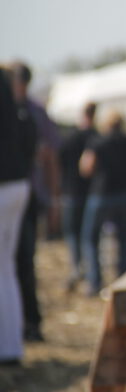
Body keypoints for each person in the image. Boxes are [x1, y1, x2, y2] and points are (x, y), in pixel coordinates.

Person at [8, 61, 60, 342]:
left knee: (23, 262)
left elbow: (50, 158)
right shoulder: (34, 112)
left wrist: (53, 201)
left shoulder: (33, 113)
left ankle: (31, 322)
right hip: (24, 195)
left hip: (25, 197)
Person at [79, 110, 126, 296]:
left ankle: (94, 281)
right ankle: (124, 277)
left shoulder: (97, 141)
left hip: (101, 193)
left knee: (91, 238)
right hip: (124, 193)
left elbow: (87, 168)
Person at [0, 67, 36, 366]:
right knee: (6, 269)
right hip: (18, 185)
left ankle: (9, 346)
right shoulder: (21, 112)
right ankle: (11, 346)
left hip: (4, 187)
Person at [58, 102, 98, 291]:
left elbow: (60, 162)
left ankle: (78, 268)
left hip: (73, 191)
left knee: (74, 233)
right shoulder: (96, 136)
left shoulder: (71, 137)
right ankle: (88, 272)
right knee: (88, 235)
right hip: (91, 191)